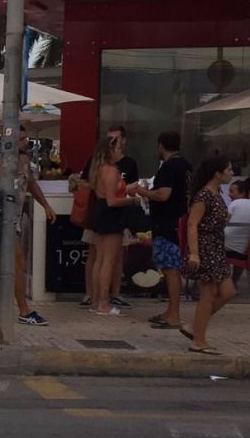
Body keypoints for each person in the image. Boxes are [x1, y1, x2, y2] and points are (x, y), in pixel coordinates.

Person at [0, 126, 56, 326]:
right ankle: (24, 309)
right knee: (18, 261)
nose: (26, 143)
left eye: (26, 138)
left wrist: (46, 205)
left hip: (13, 219)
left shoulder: (24, 162)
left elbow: (31, 184)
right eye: (22, 139)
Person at [133, 132, 192, 330]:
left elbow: (163, 194)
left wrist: (143, 192)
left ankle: (173, 315)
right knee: (170, 269)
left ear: (161, 146)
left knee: (170, 269)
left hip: (167, 224)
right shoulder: (185, 166)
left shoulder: (169, 167)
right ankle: (170, 311)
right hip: (177, 221)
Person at [79, 125, 139, 308]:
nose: (119, 153)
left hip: (100, 213)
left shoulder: (98, 169)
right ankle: (104, 302)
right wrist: (132, 201)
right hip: (111, 215)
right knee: (108, 260)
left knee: (99, 259)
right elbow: (112, 200)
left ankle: (96, 300)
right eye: (117, 149)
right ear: (111, 150)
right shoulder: (111, 171)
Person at [183, 156, 235, 356]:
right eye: (228, 170)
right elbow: (192, 224)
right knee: (208, 295)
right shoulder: (204, 195)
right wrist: (195, 253)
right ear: (218, 173)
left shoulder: (217, 193)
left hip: (217, 248)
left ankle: (194, 326)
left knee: (228, 292)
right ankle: (199, 340)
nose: (231, 173)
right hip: (206, 248)